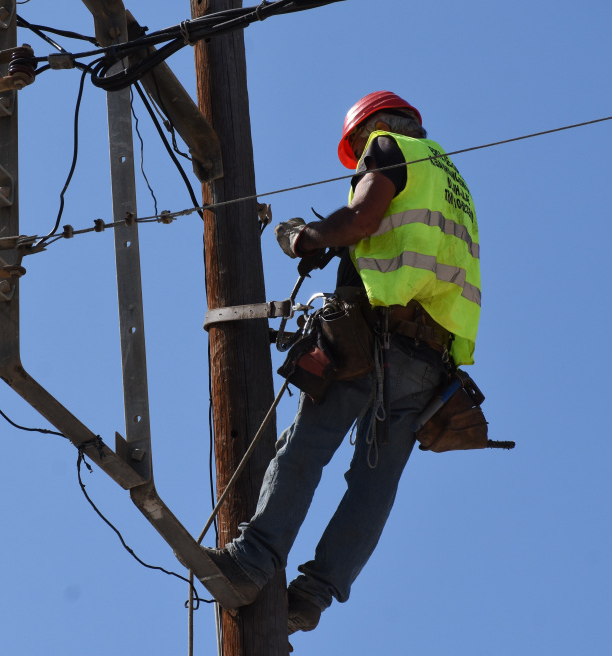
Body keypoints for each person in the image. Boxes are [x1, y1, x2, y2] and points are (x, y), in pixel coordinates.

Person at [203, 91, 482, 634]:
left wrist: (303, 238)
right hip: (430, 362)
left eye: (355, 148)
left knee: (304, 447)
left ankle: (249, 564)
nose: (357, 158)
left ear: (372, 127)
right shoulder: (453, 180)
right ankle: (311, 597)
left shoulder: (388, 146)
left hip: (374, 337)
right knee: (374, 484)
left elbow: (360, 218)